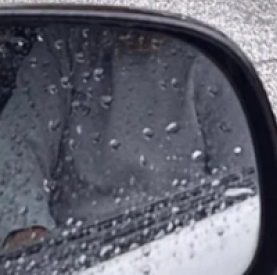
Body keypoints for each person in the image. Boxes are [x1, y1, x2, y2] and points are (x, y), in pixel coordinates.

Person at [0, 24, 256, 250]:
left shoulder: (211, 56)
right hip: (72, 248)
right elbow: (17, 145)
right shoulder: (65, 43)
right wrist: (28, 232)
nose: (138, 32)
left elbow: (241, 183)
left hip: (183, 248)